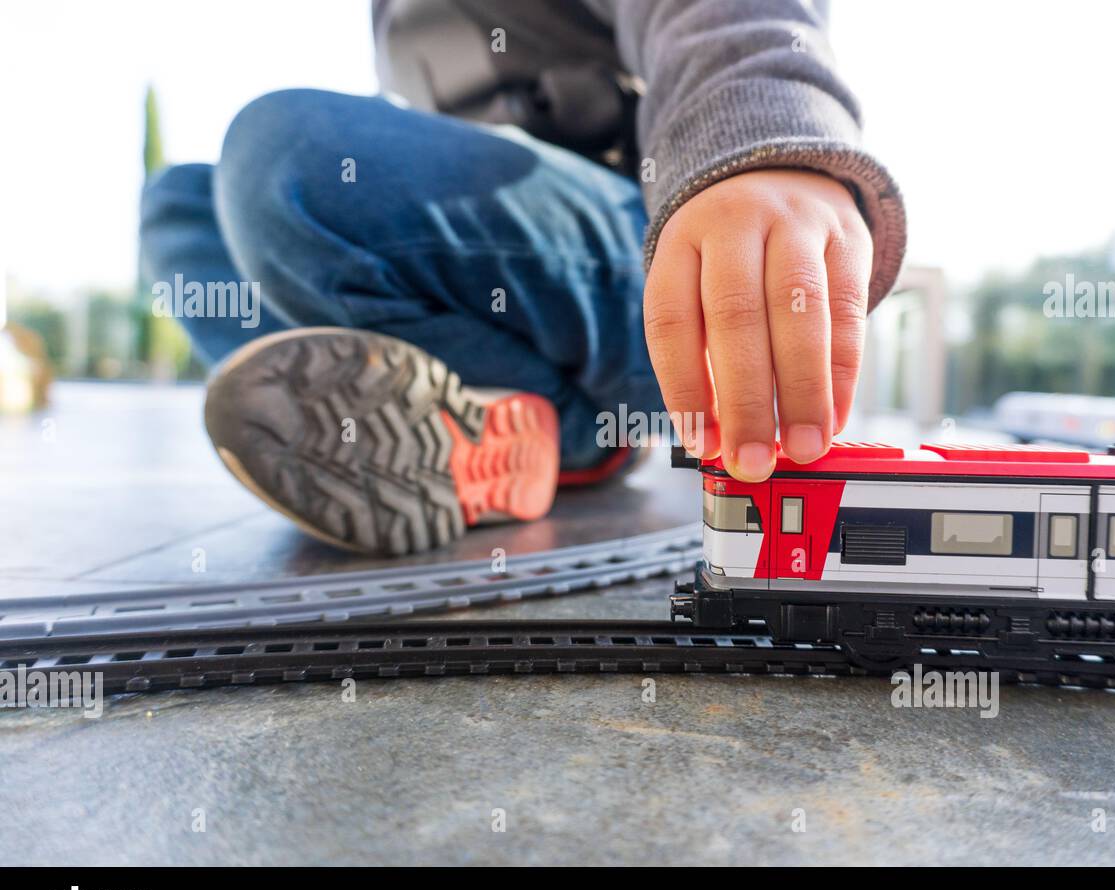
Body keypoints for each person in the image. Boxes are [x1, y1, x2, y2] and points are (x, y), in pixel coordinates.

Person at [140, 0, 906, 555]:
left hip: (664, 258)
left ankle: (556, 430)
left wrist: (762, 137)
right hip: (507, 276)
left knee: (282, 157)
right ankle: (482, 421)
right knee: (178, 205)